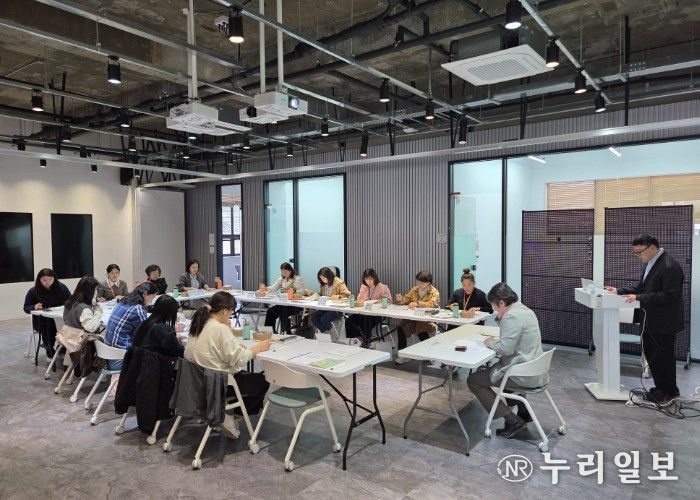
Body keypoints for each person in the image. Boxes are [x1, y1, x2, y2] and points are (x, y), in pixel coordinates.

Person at [604, 234, 684, 405]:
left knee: (663, 357)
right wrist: (619, 291)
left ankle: (669, 391)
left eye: (640, 252)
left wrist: (640, 297)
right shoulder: (650, 263)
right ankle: (660, 388)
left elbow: (669, 295)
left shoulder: (670, 266)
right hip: (650, 320)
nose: (638, 256)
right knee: (652, 355)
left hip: (664, 322)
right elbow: (642, 287)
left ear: (652, 247)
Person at [185, 291, 271, 437]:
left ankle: (228, 412)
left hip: (196, 381)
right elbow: (239, 359)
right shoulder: (219, 328)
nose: (231, 315)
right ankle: (231, 415)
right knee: (262, 381)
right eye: (231, 311)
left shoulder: (199, 323)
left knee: (248, 377)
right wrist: (257, 348)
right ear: (225, 311)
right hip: (216, 384)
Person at [466, 283, 546, 438]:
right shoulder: (525, 310)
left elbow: (505, 349)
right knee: (499, 369)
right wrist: (500, 318)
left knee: (474, 381)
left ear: (502, 303)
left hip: (522, 375)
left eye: (496, 308)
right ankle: (523, 411)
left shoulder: (511, 316)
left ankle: (513, 421)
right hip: (535, 369)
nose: (496, 311)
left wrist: (489, 342)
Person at [105, 282, 158, 370]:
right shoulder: (138, 308)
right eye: (153, 297)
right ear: (145, 294)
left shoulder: (123, 301)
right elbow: (148, 334)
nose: (152, 301)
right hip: (120, 358)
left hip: (108, 353)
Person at [23, 268, 71, 359]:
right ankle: (50, 350)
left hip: (60, 319)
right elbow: (26, 307)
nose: (47, 282)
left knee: (71, 326)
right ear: (39, 280)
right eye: (44, 280)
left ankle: (63, 349)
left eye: (50, 279)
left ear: (54, 279)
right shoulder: (33, 291)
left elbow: (70, 301)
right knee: (49, 326)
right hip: (41, 321)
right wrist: (34, 307)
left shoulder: (61, 288)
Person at [394, 270, 440, 363]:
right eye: (418, 281)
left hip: (427, 319)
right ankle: (402, 354)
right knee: (400, 327)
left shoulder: (434, 292)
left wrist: (418, 304)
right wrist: (400, 300)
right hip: (413, 318)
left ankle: (428, 354)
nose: (419, 284)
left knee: (420, 328)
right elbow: (406, 299)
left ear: (428, 282)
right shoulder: (414, 290)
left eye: (422, 282)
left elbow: (433, 304)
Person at [61, 276, 103, 365]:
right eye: (96, 290)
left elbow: (65, 319)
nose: (96, 292)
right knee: (104, 338)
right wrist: (98, 312)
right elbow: (91, 327)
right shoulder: (84, 308)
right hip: (80, 340)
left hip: (67, 336)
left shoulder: (70, 301)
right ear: (90, 291)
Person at [344, 268, 392, 346]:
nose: (368, 281)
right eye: (366, 279)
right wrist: (362, 301)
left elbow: (389, 302)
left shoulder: (383, 287)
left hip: (377, 314)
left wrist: (380, 301)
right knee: (349, 321)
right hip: (364, 312)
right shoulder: (364, 286)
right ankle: (360, 340)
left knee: (365, 323)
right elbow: (359, 299)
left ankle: (366, 342)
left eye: (370, 279)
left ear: (375, 278)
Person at [259, 262, 306, 334]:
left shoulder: (297, 279)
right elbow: (273, 288)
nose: (283, 274)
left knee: (283, 311)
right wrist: (266, 288)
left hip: (295, 305)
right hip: (283, 303)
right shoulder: (281, 279)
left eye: (285, 272)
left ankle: (286, 332)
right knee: (270, 311)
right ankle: (270, 332)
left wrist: (293, 291)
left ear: (290, 271)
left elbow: (302, 292)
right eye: (282, 272)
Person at [311, 267, 350, 336]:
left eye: (324, 278)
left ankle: (332, 335)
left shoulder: (338, 282)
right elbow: (321, 295)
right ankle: (326, 334)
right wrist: (314, 296)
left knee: (324, 319)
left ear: (329, 276)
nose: (322, 280)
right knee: (314, 317)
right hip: (326, 308)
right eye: (321, 278)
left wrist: (337, 297)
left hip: (336, 309)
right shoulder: (323, 284)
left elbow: (347, 294)